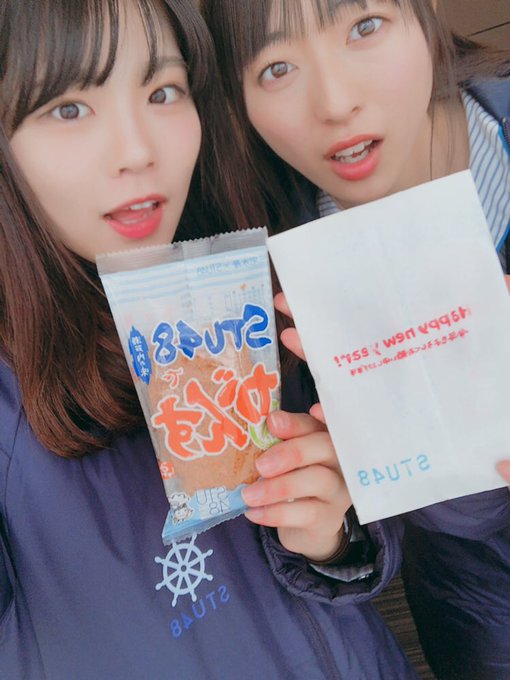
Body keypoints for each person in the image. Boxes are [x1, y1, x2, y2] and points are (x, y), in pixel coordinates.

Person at [0, 1, 419, 678]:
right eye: (69, 109)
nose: (138, 150)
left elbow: (363, 556)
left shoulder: (248, 285)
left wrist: (331, 537)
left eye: (163, 92)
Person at [202, 1, 510, 678]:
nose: (336, 102)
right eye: (276, 67)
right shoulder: (268, 283)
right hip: (480, 621)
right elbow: (418, 535)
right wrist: (331, 534)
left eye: (365, 27)